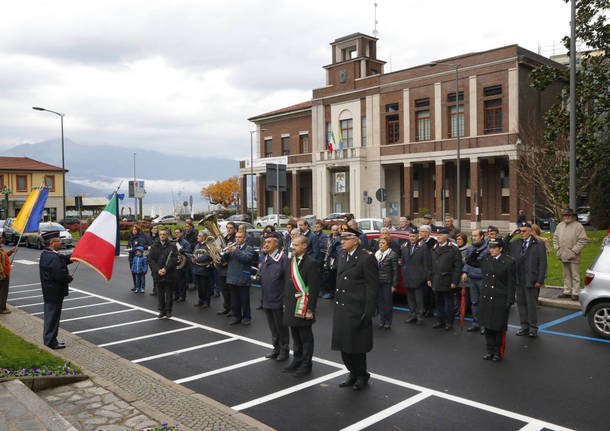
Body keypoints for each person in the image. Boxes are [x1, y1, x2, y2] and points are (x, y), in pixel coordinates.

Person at [332, 225, 379, 391]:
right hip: (342, 307)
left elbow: (373, 287)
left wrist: (369, 310)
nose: (342, 242)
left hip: (357, 308)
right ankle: (352, 372)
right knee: (344, 345)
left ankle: (361, 375)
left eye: (345, 239)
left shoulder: (366, 258)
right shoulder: (342, 255)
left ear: (356, 241)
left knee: (357, 346)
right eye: (341, 239)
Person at [467, 237, 516, 361]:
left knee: (498, 328)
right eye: (490, 247)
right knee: (488, 327)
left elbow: (511, 283)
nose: (492, 250)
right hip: (486, 297)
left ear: (501, 248)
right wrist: (478, 249)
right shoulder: (486, 259)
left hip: (500, 298)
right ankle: (489, 351)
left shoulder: (509, 261)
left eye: (494, 247)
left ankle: (498, 352)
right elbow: (470, 261)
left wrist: (510, 300)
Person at [283, 235, 320, 376]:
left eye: (296, 245)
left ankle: (306, 364)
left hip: (304, 305)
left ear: (304, 246)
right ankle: (297, 360)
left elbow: (314, 289)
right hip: (292, 304)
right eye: (293, 244)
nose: (293, 247)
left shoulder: (311, 263)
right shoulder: (291, 261)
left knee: (305, 338)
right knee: (295, 336)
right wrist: (284, 303)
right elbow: (287, 284)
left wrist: (310, 309)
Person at [506, 222, 547, 337]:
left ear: (530, 231)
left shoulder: (538, 244)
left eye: (524, 231)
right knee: (521, 304)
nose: (522, 233)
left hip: (531, 280)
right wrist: (511, 234)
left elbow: (543, 263)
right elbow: (503, 246)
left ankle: (533, 328)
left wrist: (540, 280)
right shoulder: (516, 242)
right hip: (519, 279)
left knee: (531, 305)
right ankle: (524, 327)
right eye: (520, 231)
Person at [39, 231, 73, 349]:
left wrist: (75, 256)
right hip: (54, 292)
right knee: (52, 317)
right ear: (53, 243)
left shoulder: (47, 253)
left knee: (51, 316)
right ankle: (50, 341)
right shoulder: (53, 257)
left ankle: (50, 339)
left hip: (49, 292)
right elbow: (60, 276)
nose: (60, 242)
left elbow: (63, 259)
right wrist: (69, 278)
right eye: (59, 240)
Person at [260, 234, 290, 361]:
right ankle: (276, 348)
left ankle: (284, 349)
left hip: (278, 300)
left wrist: (285, 301)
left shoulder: (282, 259)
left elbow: (288, 281)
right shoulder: (266, 258)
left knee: (281, 327)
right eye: (265, 242)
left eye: (269, 242)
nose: (265, 244)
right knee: (273, 327)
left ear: (276, 244)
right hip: (267, 299)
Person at [428, 228, 462, 330]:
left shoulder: (453, 249)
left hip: (447, 280)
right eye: (438, 235)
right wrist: (429, 279)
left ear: (446, 237)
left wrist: (454, 281)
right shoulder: (434, 248)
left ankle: (449, 323)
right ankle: (440, 321)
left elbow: (457, 267)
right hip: (436, 279)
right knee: (438, 303)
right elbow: (430, 265)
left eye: (441, 235)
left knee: (448, 303)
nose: (438, 237)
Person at [553, 208, 588, 300]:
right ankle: (567, 291)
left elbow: (583, 240)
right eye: (565, 215)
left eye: (569, 215)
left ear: (573, 216)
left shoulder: (578, 226)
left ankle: (576, 292)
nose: (567, 217)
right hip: (563, 254)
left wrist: (574, 251)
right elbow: (555, 238)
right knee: (566, 275)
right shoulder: (559, 226)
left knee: (575, 275)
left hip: (574, 255)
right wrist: (558, 249)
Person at [225, 230, 256, 325]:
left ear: (244, 239)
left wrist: (235, 250)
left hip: (243, 277)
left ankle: (246, 317)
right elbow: (224, 261)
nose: (237, 239)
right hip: (232, 277)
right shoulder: (232, 248)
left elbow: (245, 259)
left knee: (244, 300)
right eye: (236, 237)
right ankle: (237, 317)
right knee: (235, 300)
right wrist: (223, 252)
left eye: (239, 237)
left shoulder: (249, 248)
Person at [461, 229, 489, 333]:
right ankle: (476, 323)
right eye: (472, 236)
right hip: (472, 278)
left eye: (475, 236)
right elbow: (468, 262)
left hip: (482, 278)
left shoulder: (487, 248)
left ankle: (484, 325)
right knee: (474, 302)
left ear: (482, 236)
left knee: (484, 303)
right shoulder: (470, 247)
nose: (473, 238)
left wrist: (472, 263)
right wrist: (465, 272)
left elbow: (479, 262)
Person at [148, 228, 179, 318]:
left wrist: (165, 269)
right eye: (160, 234)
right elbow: (150, 259)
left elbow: (173, 260)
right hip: (158, 274)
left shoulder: (172, 246)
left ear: (167, 235)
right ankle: (162, 311)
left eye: (164, 234)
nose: (162, 236)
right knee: (160, 294)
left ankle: (168, 311)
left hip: (169, 273)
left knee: (169, 294)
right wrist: (158, 270)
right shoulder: (154, 246)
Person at [401, 229, 429, 325]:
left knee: (418, 299)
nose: (412, 238)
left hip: (418, 277)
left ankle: (419, 316)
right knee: (410, 298)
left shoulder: (422, 246)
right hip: (408, 277)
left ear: (418, 236)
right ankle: (412, 315)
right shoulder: (404, 246)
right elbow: (403, 262)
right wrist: (404, 272)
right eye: (410, 236)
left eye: (414, 236)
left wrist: (424, 277)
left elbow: (426, 263)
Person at [375, 235, 398, 329]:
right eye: (380, 243)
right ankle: (382, 320)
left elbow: (395, 271)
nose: (381, 245)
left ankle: (388, 321)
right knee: (380, 302)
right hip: (378, 281)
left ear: (388, 244)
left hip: (387, 282)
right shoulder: (376, 254)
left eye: (383, 243)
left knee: (387, 302)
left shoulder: (392, 254)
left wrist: (394, 285)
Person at [216, 222, 236, 316]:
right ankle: (226, 307)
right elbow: (216, 247)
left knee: (231, 290)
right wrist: (217, 248)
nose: (228, 229)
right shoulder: (223, 238)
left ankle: (233, 309)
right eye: (227, 228)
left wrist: (223, 250)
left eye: (231, 228)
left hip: (230, 267)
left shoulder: (235, 239)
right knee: (224, 290)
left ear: (235, 229)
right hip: (221, 267)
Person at [192, 231, 214, 308]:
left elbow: (209, 255)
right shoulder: (197, 245)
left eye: (199, 236)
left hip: (205, 269)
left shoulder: (208, 245)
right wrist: (193, 258)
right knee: (199, 287)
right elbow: (194, 253)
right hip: (197, 269)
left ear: (204, 237)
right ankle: (201, 300)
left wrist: (197, 259)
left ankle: (206, 302)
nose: (197, 237)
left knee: (206, 287)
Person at [321, 224, 342, 299]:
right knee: (329, 277)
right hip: (329, 260)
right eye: (333, 230)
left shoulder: (339, 238)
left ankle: (334, 293)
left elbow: (337, 251)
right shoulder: (329, 237)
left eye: (336, 230)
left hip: (335, 260)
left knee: (335, 277)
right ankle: (330, 292)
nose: (335, 231)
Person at [173, 227, 192, 302]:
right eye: (175, 232)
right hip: (175, 263)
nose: (176, 234)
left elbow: (189, 251)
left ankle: (182, 296)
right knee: (175, 281)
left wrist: (180, 250)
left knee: (182, 281)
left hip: (183, 264)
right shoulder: (173, 241)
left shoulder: (185, 242)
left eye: (178, 232)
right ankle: (176, 295)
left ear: (181, 233)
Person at [127, 225, 149, 292]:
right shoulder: (131, 237)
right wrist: (128, 248)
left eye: (135, 229)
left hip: (139, 258)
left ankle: (141, 287)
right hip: (132, 257)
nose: (134, 231)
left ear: (138, 230)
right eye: (133, 229)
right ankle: (136, 286)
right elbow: (128, 245)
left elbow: (141, 246)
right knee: (134, 272)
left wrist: (132, 249)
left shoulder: (141, 237)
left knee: (140, 274)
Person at [0, 245, 17, 314]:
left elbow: (3, 256)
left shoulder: (0, 248)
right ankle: (1, 308)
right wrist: (1, 273)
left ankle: (2, 306)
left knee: (2, 290)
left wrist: (11, 251)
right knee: (3, 291)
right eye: (0, 238)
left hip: (5, 272)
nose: (1, 239)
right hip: (3, 273)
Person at [146, 225, 160, 296]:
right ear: (151, 230)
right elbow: (144, 245)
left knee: (157, 273)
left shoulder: (159, 236)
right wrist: (147, 246)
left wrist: (152, 246)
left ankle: (158, 289)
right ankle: (155, 289)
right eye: (154, 228)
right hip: (150, 258)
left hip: (159, 257)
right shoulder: (147, 236)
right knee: (154, 273)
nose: (156, 229)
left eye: (157, 228)